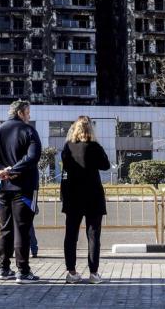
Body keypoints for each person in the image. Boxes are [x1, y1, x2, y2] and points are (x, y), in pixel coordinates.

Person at [0, 100, 41, 284]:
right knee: (22, 229)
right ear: (20, 113)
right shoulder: (28, 131)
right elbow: (33, 156)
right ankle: (23, 271)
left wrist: (0, 170)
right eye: (28, 113)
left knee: (5, 228)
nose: (29, 116)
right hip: (25, 188)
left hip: (3, 188)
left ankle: (4, 268)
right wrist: (13, 170)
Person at [60, 116, 110, 284]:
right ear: (90, 130)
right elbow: (106, 165)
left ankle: (71, 272)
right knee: (93, 235)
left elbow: (65, 172)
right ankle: (94, 274)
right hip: (93, 196)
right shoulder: (95, 147)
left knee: (71, 235)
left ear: (75, 129)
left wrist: (63, 195)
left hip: (73, 196)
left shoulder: (68, 147)